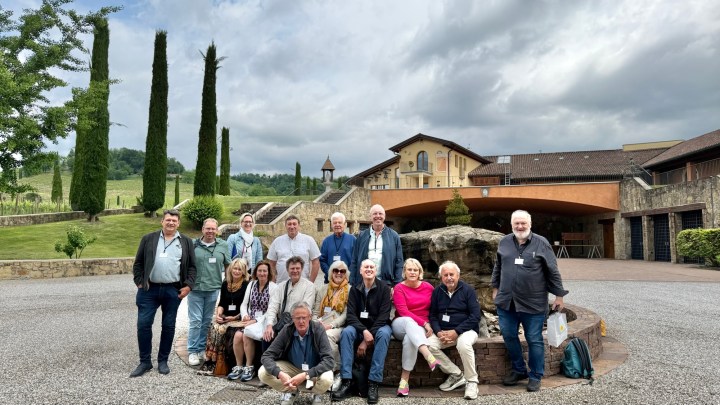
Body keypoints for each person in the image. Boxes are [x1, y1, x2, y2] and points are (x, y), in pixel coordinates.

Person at [492, 210, 569, 392]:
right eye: (516, 223)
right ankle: (519, 370)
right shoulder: (504, 242)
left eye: (523, 223)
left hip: (533, 303)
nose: (520, 227)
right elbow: (498, 266)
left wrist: (559, 296)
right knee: (509, 335)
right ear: (511, 225)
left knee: (534, 339)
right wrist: (495, 288)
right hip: (507, 302)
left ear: (530, 224)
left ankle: (535, 375)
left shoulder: (541, 243)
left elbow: (553, 271)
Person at [130, 209, 196, 377]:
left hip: (172, 290)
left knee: (168, 326)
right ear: (162, 222)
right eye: (168, 220)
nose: (171, 223)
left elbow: (192, 267)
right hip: (148, 290)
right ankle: (145, 362)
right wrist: (139, 281)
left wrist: (188, 286)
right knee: (143, 324)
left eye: (174, 221)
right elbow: (138, 263)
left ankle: (163, 361)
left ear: (178, 223)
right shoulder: (148, 239)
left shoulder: (186, 242)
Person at [332, 259, 392, 405]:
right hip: (360, 327)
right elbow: (351, 315)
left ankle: (373, 383)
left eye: (372, 267)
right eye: (366, 267)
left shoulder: (384, 288)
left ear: (375, 271)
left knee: (384, 334)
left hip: (379, 327)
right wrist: (364, 331)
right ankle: (347, 381)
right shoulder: (355, 289)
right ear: (360, 271)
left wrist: (366, 339)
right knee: (346, 333)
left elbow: (384, 316)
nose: (369, 269)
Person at [258, 301, 335, 405]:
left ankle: (316, 393)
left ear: (310, 317)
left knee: (327, 378)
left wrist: (306, 375)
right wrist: (280, 374)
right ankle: (292, 390)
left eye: (304, 317)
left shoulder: (318, 329)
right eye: (297, 318)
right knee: (263, 372)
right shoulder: (287, 329)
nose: (301, 321)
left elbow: (329, 361)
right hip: (293, 368)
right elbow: (266, 356)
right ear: (292, 318)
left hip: (313, 372)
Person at [428, 261, 481, 400]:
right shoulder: (437, 292)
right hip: (444, 332)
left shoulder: (468, 290)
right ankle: (456, 374)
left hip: (466, 331)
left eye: (452, 274)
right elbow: (432, 315)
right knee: (427, 346)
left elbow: (475, 316)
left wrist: (456, 331)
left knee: (463, 344)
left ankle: (472, 382)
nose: (449, 277)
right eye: (445, 275)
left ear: (458, 275)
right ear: (441, 277)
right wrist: (438, 332)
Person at [390, 259, 442, 397]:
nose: (412, 272)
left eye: (415, 270)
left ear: (420, 272)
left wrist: (430, 324)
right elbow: (403, 311)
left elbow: (434, 309)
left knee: (409, 339)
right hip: (401, 324)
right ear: (404, 272)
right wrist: (424, 323)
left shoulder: (428, 287)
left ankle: (403, 382)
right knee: (408, 321)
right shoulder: (399, 288)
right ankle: (428, 355)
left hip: (418, 330)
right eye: (409, 270)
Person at [188, 218, 232, 366]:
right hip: (196, 289)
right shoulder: (193, 245)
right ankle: (193, 351)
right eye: (208, 228)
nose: (210, 231)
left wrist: (228, 284)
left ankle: (201, 348)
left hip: (213, 289)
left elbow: (228, 266)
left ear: (217, 230)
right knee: (195, 321)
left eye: (213, 229)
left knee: (206, 321)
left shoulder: (223, 245)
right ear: (202, 229)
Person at [227, 260, 278, 381]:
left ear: (269, 272)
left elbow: (271, 310)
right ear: (256, 272)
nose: (262, 273)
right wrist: (245, 315)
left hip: (264, 321)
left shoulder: (274, 287)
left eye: (264, 271)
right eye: (259, 270)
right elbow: (244, 305)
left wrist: (255, 320)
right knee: (237, 336)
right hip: (249, 320)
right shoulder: (251, 285)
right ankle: (239, 366)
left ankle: (249, 367)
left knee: (246, 335)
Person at [203, 258, 249, 375]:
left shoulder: (247, 285)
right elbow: (222, 303)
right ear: (230, 269)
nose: (237, 271)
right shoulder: (225, 284)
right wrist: (218, 314)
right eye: (235, 268)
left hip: (239, 317)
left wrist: (234, 318)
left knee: (223, 330)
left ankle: (223, 363)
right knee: (214, 326)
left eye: (240, 269)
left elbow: (247, 306)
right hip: (226, 316)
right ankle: (211, 361)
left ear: (243, 271)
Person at [312, 260, 350, 390]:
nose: (338, 273)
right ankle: (312, 372)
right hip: (321, 323)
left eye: (342, 271)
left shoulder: (349, 290)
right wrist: (317, 322)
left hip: (339, 326)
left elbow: (346, 314)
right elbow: (316, 311)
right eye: (335, 270)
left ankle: (336, 371)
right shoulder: (323, 289)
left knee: (327, 336)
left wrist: (331, 325)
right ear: (331, 273)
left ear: (346, 274)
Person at [264, 256, 316, 344]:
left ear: (302, 269)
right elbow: (273, 306)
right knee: (266, 337)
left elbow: (306, 309)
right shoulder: (281, 286)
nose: (295, 271)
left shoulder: (309, 286)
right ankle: (267, 358)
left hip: (299, 323)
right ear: (287, 270)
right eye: (292, 268)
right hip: (282, 323)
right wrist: (269, 325)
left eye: (297, 268)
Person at [350, 204, 403, 286]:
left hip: (386, 283)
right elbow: (354, 260)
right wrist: (352, 282)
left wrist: (397, 284)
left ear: (384, 216)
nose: (378, 216)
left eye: (380, 214)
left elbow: (399, 262)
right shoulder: (361, 236)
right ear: (370, 216)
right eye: (375, 214)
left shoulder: (394, 236)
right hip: (363, 283)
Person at [268, 215, 321, 284]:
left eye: (294, 224)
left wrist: (311, 282)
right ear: (285, 226)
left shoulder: (309, 240)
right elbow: (271, 263)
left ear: (299, 225)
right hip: (281, 284)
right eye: (289, 224)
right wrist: (273, 282)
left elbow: (316, 262)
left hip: (303, 284)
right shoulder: (277, 241)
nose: (292, 227)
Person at [319, 212, 356, 284]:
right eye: (335, 223)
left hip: (348, 281)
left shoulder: (353, 239)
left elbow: (356, 260)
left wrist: (346, 274)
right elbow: (322, 260)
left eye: (340, 222)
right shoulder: (326, 241)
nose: (337, 225)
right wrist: (330, 273)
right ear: (331, 225)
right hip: (330, 281)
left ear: (345, 225)